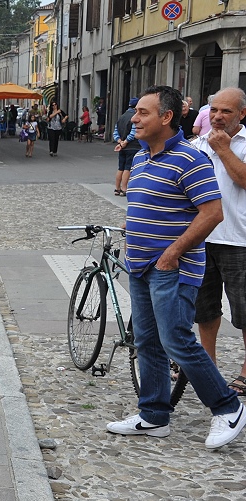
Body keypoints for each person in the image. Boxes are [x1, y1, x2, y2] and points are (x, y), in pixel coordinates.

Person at [106, 85, 246, 450]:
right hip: (140, 266)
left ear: (167, 117)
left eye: (143, 113)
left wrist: (172, 254)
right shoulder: (141, 158)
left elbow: (212, 213)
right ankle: (154, 415)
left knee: (177, 341)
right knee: (147, 342)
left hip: (172, 268)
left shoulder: (190, 158)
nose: (134, 119)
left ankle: (228, 407)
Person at [189, 88, 246, 396]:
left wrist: (224, 150)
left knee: (244, 311)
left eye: (226, 111)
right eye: (214, 111)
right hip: (203, 237)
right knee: (205, 308)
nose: (218, 117)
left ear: (241, 114)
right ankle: (207, 364)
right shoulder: (197, 145)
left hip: (240, 240)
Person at [112, 97, 139, 197]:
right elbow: (133, 132)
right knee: (128, 168)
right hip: (132, 146)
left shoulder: (121, 117)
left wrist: (120, 142)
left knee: (121, 167)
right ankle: (124, 188)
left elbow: (115, 133)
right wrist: (126, 142)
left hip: (122, 147)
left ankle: (117, 188)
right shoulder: (134, 117)